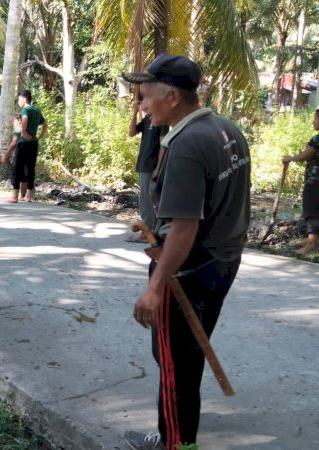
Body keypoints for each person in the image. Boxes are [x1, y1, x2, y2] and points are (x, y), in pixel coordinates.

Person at [121, 54, 251, 450]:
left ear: (172, 95)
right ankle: (179, 430)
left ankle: (174, 443)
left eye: (145, 96)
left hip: (187, 272)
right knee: (186, 355)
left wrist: (156, 286)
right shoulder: (226, 129)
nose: (141, 105)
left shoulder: (186, 144)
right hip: (222, 263)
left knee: (175, 362)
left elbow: (184, 227)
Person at [126, 95, 169, 242]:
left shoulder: (161, 120)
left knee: (147, 200)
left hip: (151, 166)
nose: (142, 104)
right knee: (145, 198)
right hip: (143, 163)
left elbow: (163, 145)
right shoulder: (147, 119)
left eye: (143, 101)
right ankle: (151, 231)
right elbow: (131, 133)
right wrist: (134, 113)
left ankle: (148, 232)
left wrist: (158, 167)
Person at [282, 108, 319, 255]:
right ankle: (313, 240)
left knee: (312, 211)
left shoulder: (317, 139)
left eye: (315, 118)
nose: (313, 122)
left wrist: (290, 158)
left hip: (315, 181)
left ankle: (310, 244)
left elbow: (306, 155)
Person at [5, 90, 46, 203]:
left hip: (24, 142)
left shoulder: (26, 109)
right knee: (30, 169)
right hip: (34, 143)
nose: (18, 102)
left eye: (19, 100)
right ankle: (28, 196)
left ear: (24, 99)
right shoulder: (37, 110)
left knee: (17, 168)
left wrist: (23, 133)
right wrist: (39, 137)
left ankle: (14, 196)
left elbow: (25, 119)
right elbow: (45, 125)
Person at [0, 114, 25, 196]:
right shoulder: (28, 128)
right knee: (25, 174)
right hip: (29, 152)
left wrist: (6, 155)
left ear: (19, 121)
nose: (13, 123)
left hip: (19, 152)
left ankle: (15, 196)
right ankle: (24, 196)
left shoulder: (18, 129)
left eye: (14, 121)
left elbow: (14, 143)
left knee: (15, 173)